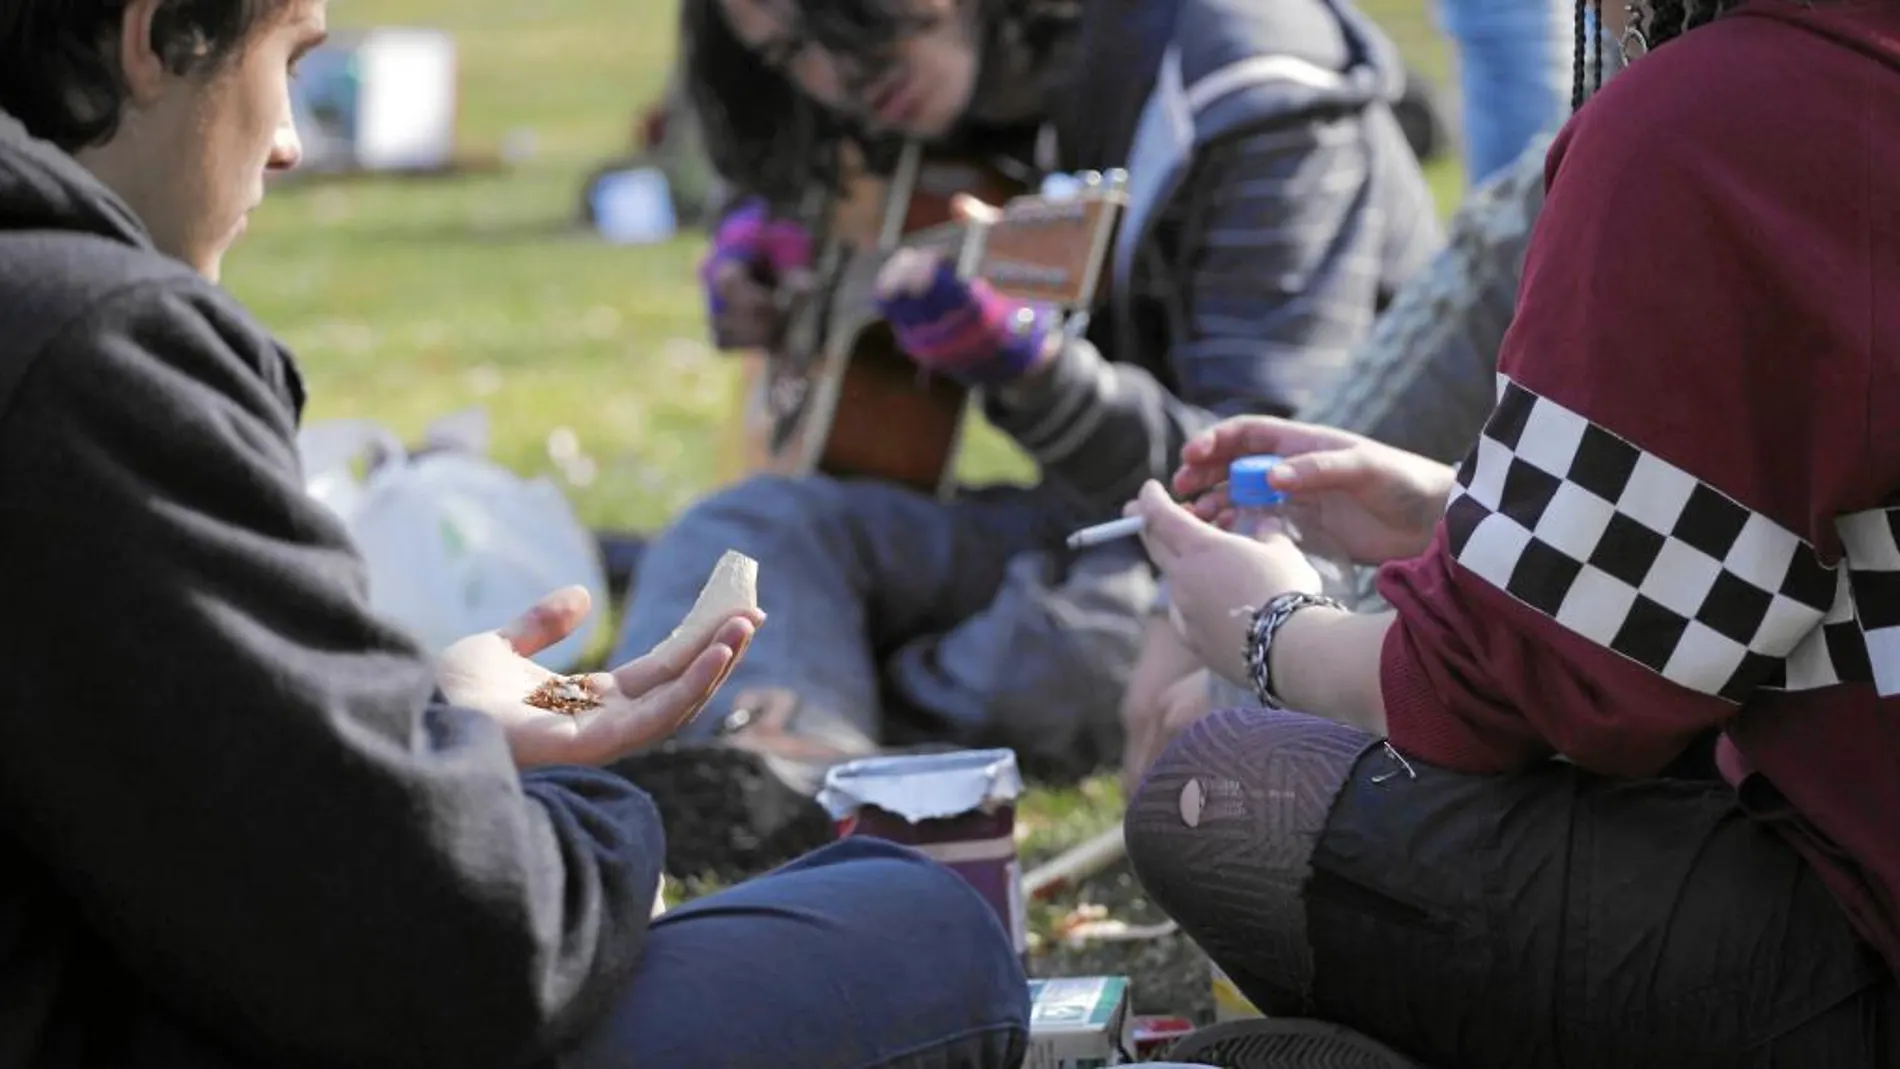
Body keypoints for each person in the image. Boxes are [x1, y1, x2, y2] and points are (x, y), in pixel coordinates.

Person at [0, 2, 1030, 1067]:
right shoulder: (90, 349)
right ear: (156, 35)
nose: (291, 141)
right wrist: (583, 809)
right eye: (290, 60)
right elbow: (471, 948)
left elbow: (154, 767)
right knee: (921, 930)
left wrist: (431, 722)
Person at [1121, 0, 1900, 1066]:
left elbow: (1505, 694)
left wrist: (1263, 621)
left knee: (1219, 800)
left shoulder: (1712, 116)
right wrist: (1451, 512)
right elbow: (1834, 546)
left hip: (1868, 945)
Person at [609, 0, 1443, 873]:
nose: (832, 79)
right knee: (740, 534)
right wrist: (771, 239)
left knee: (1067, 653)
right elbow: (810, 168)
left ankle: (800, 715)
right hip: (1100, 518)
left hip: (1308, 566)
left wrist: (1035, 378)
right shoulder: (954, 67)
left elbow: (1268, 479)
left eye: (847, 17)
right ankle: (785, 749)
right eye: (787, 54)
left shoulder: (1254, 92)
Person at [1119, 123, 1558, 792]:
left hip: (1728, 830)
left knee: (1228, 802)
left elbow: (1518, 676)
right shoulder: (1643, 108)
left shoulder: (1661, 134)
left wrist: (1270, 642)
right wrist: (1445, 506)